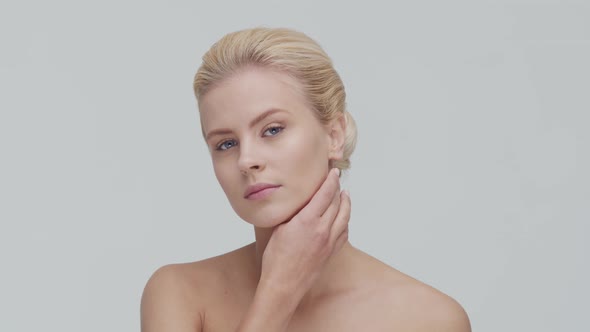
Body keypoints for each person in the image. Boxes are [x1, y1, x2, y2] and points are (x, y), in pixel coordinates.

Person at [140, 27, 471, 331]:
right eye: (226, 144)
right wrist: (279, 290)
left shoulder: (429, 318)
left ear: (334, 135)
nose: (246, 160)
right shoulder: (180, 293)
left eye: (272, 129)